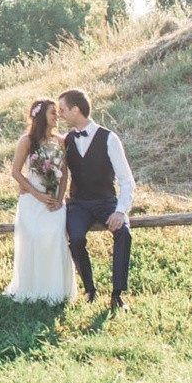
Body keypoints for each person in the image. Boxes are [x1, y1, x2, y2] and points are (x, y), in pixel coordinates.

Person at [57, 86, 135, 310]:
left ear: (75, 110)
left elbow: (126, 180)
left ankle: (117, 294)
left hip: (106, 202)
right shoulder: (66, 140)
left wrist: (120, 211)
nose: (60, 115)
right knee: (76, 238)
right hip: (78, 204)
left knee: (123, 233)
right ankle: (90, 290)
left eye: (62, 110)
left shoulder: (109, 138)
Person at [3, 97, 76, 303]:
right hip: (32, 199)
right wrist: (37, 194)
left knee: (54, 235)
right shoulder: (27, 141)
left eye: (57, 112)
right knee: (34, 237)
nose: (57, 116)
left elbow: (65, 174)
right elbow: (16, 172)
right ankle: (33, 289)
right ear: (41, 115)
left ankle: (56, 290)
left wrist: (59, 200)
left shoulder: (61, 141)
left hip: (54, 200)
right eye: (53, 112)